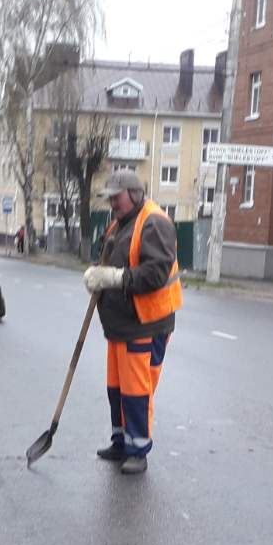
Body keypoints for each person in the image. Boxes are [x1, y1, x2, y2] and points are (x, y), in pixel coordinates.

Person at [82, 170, 182, 476]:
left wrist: (115, 277)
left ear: (135, 194)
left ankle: (138, 449)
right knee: (117, 388)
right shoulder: (121, 222)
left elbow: (155, 273)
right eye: (110, 197)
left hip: (146, 322)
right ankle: (121, 441)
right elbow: (113, 257)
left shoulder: (154, 222)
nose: (112, 202)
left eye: (117, 196)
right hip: (121, 324)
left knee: (137, 391)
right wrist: (98, 274)